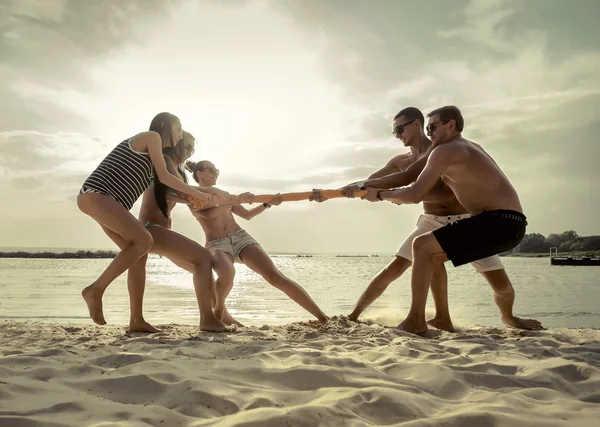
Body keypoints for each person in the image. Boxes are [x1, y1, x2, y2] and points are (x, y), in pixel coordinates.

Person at [312, 107, 542, 332]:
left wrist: (381, 195)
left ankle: (415, 321)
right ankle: (491, 318)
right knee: (430, 254)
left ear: (451, 125)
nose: (429, 132)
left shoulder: (446, 151)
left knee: (422, 246)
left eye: (432, 127)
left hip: (490, 222)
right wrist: (336, 192)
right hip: (497, 222)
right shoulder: (450, 149)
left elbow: (414, 193)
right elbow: (404, 176)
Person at [77, 112, 217, 326]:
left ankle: (136, 320)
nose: (179, 136)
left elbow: (168, 184)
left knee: (137, 253)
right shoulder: (152, 137)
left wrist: (196, 196)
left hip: (107, 203)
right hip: (97, 195)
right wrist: (198, 194)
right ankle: (95, 290)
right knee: (144, 241)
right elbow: (165, 177)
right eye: (178, 129)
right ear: (164, 125)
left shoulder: (157, 157)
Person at [186, 160, 330, 325]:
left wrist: (266, 204)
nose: (215, 173)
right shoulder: (192, 196)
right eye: (211, 170)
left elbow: (247, 215)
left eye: (217, 170)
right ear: (200, 174)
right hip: (216, 244)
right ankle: (219, 309)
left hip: (240, 237)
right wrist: (234, 200)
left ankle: (322, 318)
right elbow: (209, 215)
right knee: (226, 272)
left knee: (275, 277)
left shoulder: (224, 195)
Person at [126, 131, 240, 333]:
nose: (189, 152)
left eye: (192, 149)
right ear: (175, 143)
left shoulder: (180, 172)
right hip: (152, 228)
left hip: (159, 231)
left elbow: (184, 197)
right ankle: (207, 319)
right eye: (186, 146)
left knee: (202, 271)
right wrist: (213, 193)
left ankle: (221, 315)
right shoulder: (166, 160)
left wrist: (210, 199)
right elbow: (174, 192)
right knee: (203, 258)